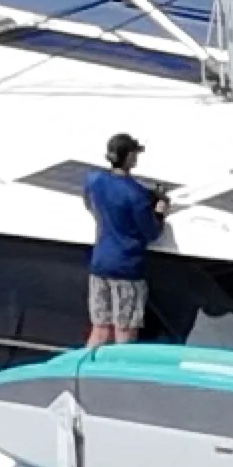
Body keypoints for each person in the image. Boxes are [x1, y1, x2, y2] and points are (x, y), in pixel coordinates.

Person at [77, 135, 165, 346]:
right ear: (129, 158)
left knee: (99, 329)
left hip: (100, 265)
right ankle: (119, 372)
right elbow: (151, 232)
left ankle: (87, 372)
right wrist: (160, 212)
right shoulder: (135, 196)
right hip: (127, 270)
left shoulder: (95, 180)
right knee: (124, 332)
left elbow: (91, 202)